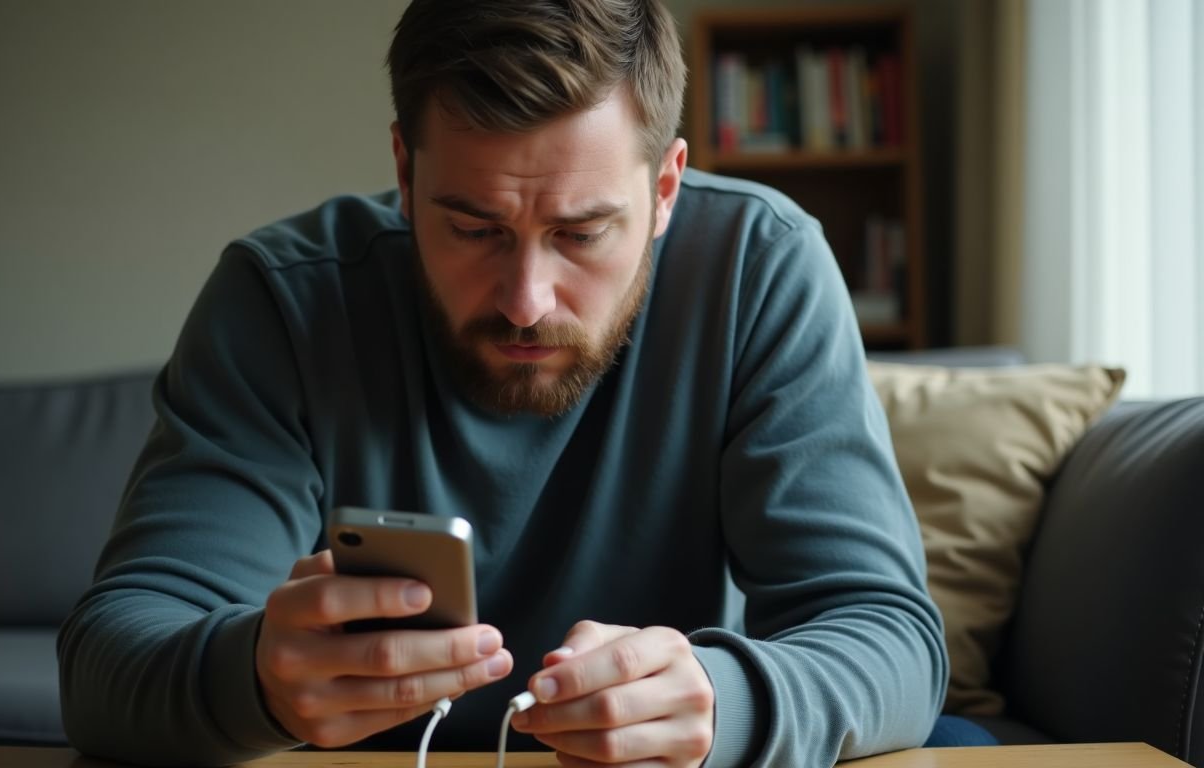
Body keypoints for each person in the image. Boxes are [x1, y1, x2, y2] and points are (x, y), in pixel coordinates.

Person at [58, 1, 962, 766]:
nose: (527, 303)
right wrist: (250, 677)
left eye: (581, 233)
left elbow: (889, 638)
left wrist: (727, 704)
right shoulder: (282, 301)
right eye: (474, 228)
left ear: (667, 190)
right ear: (406, 176)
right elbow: (109, 658)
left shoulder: (759, 267)